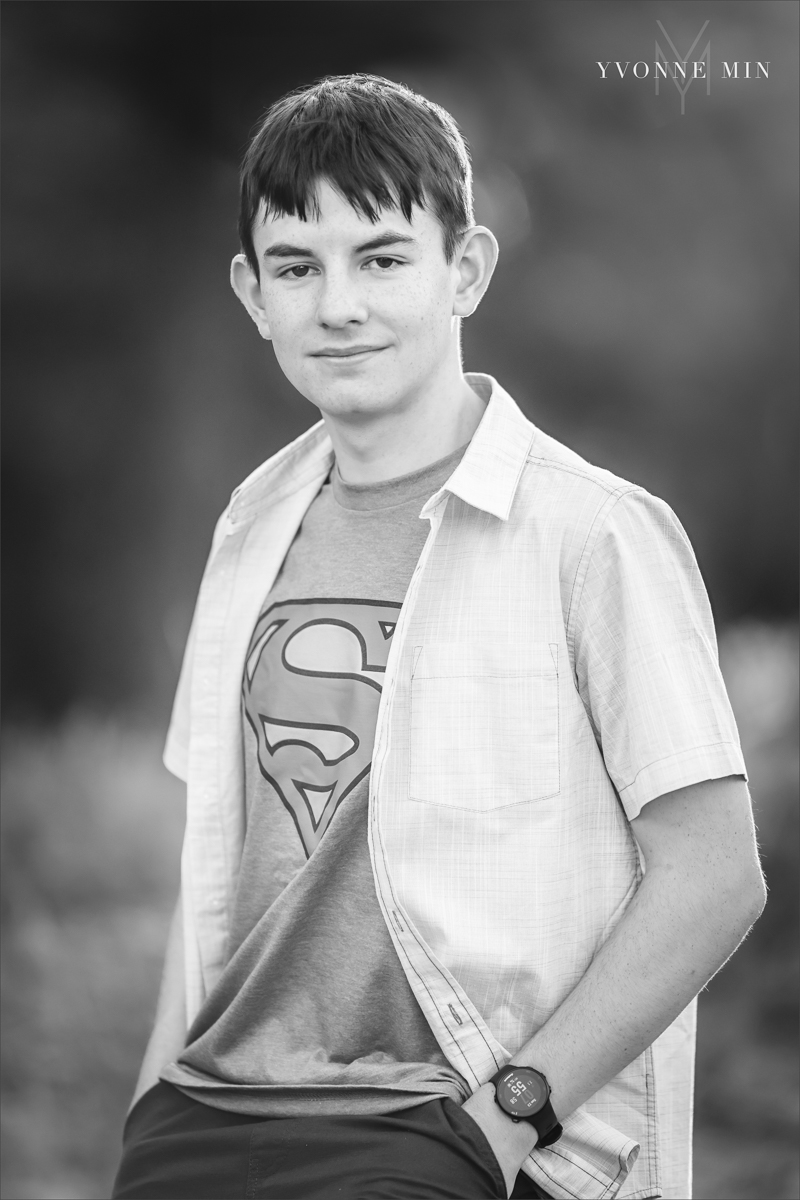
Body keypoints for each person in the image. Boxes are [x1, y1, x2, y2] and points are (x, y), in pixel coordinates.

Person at [112, 74, 765, 1200]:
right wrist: (145, 1110)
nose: (337, 306)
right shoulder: (248, 527)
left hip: (443, 1129)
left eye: (380, 257)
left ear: (463, 269)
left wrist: (510, 1117)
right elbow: (213, 856)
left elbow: (714, 874)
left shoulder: (590, 533)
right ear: (251, 293)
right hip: (206, 1117)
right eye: (296, 267)